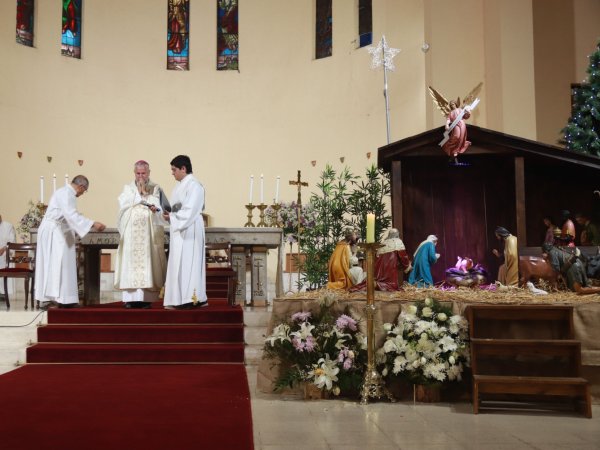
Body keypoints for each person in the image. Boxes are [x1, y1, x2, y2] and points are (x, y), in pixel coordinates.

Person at [35, 175, 105, 309]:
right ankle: (50, 299)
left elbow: (68, 216)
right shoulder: (67, 194)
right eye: (84, 191)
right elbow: (71, 215)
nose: (82, 194)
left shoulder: (66, 192)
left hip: (60, 230)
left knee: (65, 264)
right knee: (55, 264)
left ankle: (66, 298)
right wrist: (93, 223)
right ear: (81, 186)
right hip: (53, 231)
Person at [114, 161, 167, 309]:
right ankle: (130, 299)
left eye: (143, 173)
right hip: (131, 233)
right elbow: (122, 205)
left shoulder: (156, 188)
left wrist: (151, 203)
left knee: (148, 262)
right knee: (130, 263)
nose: (141, 176)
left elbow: (160, 208)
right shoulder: (128, 188)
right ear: (134, 173)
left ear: (149, 173)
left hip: (148, 233)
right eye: (138, 173)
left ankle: (146, 299)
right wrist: (139, 194)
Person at [162, 155, 207, 309]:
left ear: (183, 169)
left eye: (174, 170)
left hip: (190, 228)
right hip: (179, 229)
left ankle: (192, 299)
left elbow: (190, 210)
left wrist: (172, 217)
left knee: (189, 264)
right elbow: (177, 208)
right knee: (179, 265)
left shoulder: (195, 186)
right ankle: (179, 298)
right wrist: (168, 214)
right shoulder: (179, 186)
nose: (172, 173)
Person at [0, 215, 17, 300]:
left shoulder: (8, 226)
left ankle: (3, 292)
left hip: (5, 253)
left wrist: (3, 249)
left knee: (3, 259)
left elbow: (12, 241)